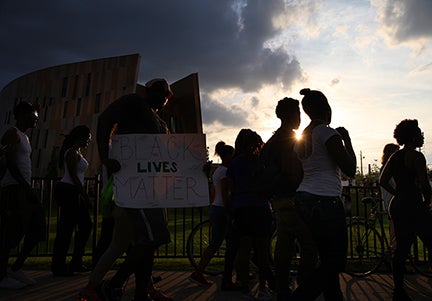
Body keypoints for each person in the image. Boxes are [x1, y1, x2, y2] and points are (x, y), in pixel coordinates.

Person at [96, 78, 173, 301]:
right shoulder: (132, 103)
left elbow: (172, 156)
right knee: (154, 237)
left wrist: (197, 169)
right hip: (134, 185)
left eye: (166, 95)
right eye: (158, 92)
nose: (163, 98)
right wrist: (104, 157)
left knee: (146, 242)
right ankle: (113, 284)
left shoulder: (160, 122)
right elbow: (104, 120)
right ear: (147, 91)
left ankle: (140, 293)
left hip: (153, 188)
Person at [291, 88, 356, 301]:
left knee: (327, 259)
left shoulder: (301, 138)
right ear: (325, 107)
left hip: (304, 199)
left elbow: (300, 171)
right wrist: (346, 139)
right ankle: (300, 296)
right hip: (326, 200)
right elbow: (350, 168)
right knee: (336, 261)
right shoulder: (327, 133)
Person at [259, 97, 317, 300]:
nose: (300, 117)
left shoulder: (272, 141)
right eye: (298, 113)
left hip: (278, 199)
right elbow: (292, 171)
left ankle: (282, 287)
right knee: (309, 245)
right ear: (291, 115)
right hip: (293, 198)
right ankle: (303, 286)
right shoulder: (289, 140)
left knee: (284, 245)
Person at [379, 119, 432, 301]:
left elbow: (382, 181)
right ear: (412, 136)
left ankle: (398, 290)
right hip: (413, 205)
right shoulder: (417, 157)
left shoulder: (395, 157)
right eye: (418, 132)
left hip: (398, 204)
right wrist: (428, 201)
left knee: (401, 249)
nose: (421, 136)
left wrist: (398, 193)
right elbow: (425, 185)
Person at [0, 101, 46, 289]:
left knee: (38, 229)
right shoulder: (12, 133)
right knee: (10, 234)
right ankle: (2, 277)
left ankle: (16, 268)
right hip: (14, 190)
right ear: (22, 115)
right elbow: (8, 161)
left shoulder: (25, 137)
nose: (36, 118)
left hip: (25, 189)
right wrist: (25, 188)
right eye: (33, 115)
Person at [227, 129, 274, 301]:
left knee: (244, 251)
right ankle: (263, 288)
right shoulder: (262, 163)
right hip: (261, 208)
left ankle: (246, 289)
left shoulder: (234, 164)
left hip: (242, 209)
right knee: (262, 251)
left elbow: (232, 189)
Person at [189, 141, 241, 290]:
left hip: (216, 207)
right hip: (221, 210)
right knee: (216, 243)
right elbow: (225, 194)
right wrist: (229, 210)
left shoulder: (218, 170)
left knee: (229, 241)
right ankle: (198, 272)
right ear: (229, 156)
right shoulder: (224, 171)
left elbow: (214, 192)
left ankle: (239, 270)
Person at [51, 125, 93, 276]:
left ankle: (75, 262)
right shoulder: (71, 153)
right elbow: (74, 177)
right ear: (80, 137)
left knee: (84, 226)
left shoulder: (77, 153)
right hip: (68, 191)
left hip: (73, 192)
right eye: (88, 137)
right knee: (67, 229)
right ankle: (59, 265)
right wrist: (85, 196)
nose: (89, 140)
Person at [379, 143, 400, 252]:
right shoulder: (389, 168)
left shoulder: (385, 167)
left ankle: (394, 249)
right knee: (396, 226)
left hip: (390, 200)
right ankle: (394, 249)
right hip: (392, 200)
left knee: (394, 225)